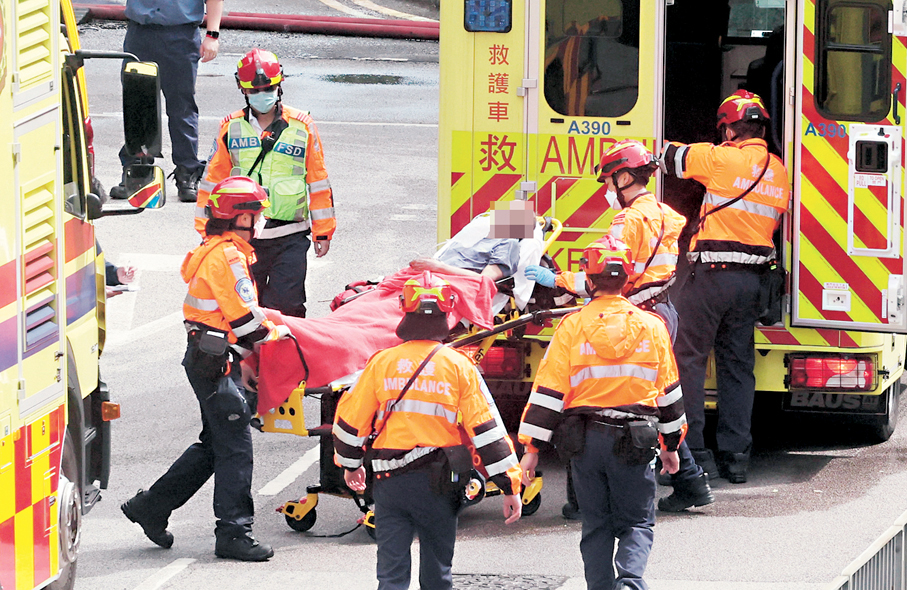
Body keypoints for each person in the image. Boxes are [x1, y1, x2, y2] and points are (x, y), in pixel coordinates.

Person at [525, 140, 712, 515]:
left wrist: (556, 280)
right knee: (652, 397)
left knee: (595, 399)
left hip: (632, 312)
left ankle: (585, 501)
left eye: (609, 181)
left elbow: (608, 273)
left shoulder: (628, 222)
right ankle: (690, 481)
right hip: (660, 311)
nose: (607, 190)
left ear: (625, 178)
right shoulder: (665, 214)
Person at [121, 176, 290, 561]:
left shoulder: (216, 249)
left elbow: (226, 320)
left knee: (216, 444)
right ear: (241, 218)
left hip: (213, 357)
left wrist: (242, 360)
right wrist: (280, 333)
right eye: (257, 214)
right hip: (214, 362)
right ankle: (233, 533)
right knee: (235, 447)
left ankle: (151, 506)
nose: (261, 220)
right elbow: (246, 322)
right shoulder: (228, 257)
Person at [333, 271, 522, 590]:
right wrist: (509, 485)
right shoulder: (459, 366)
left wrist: (351, 466)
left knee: (391, 575)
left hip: (390, 482)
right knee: (437, 573)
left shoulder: (382, 363)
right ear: (446, 313)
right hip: (439, 485)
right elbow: (487, 429)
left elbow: (350, 422)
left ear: (405, 311)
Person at [518, 235, 687, 590]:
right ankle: (630, 582)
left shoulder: (572, 326)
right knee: (637, 523)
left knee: (596, 525)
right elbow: (669, 393)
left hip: (585, 440)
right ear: (627, 278)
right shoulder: (652, 326)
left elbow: (549, 391)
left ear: (589, 279)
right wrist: (671, 446)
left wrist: (531, 449)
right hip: (636, 441)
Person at [659, 90, 790, 484]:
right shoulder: (779, 169)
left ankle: (694, 456)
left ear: (730, 130)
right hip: (752, 283)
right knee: (737, 368)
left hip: (711, 278)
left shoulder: (720, 158)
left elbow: (667, 157)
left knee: (690, 362)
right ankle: (736, 458)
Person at [195, 48, 335, 318]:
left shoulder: (302, 126)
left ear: (279, 84)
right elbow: (212, 184)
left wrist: (323, 232)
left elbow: (318, 181)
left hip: (290, 237)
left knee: (288, 309)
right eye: (255, 90)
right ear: (242, 89)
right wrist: (206, 231)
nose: (262, 95)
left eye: (268, 88)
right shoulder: (230, 127)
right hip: (243, 237)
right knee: (245, 310)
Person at [109, 0, 223, 203]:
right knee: (137, 104)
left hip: (180, 36)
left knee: (182, 107)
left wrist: (212, 35)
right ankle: (138, 172)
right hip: (140, 33)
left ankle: (187, 173)